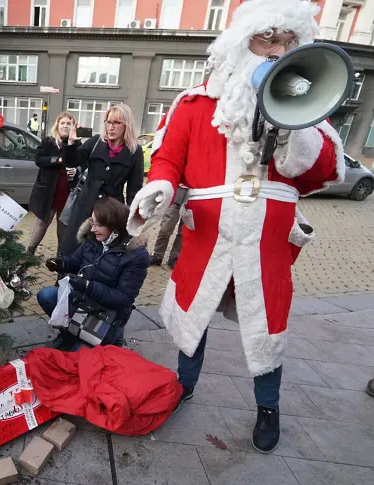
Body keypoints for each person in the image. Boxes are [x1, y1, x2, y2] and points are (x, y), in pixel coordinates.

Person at [127, 0, 343, 454]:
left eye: (289, 40)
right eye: (268, 37)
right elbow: (168, 157)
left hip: (266, 244)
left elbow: (322, 171)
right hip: (207, 238)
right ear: (241, 39)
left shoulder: (309, 110)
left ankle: (268, 407)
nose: (277, 50)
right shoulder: (194, 103)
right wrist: (160, 187)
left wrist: (294, 123)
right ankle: (184, 385)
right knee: (195, 317)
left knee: (267, 326)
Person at [38, 198, 149, 350]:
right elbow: (76, 261)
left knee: (80, 356)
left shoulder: (136, 255)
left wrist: (88, 286)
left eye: (99, 224)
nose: (92, 229)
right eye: (92, 222)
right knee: (46, 295)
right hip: (82, 302)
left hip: (106, 314)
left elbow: (124, 298)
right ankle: (68, 333)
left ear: (114, 225)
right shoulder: (94, 239)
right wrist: (62, 263)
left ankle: (113, 340)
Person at [59, 103, 144, 258]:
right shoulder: (96, 142)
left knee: (100, 254)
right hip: (85, 205)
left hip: (110, 209)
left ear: (126, 125)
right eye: (108, 122)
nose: (111, 127)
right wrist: (70, 143)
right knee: (72, 248)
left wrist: (133, 219)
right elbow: (71, 161)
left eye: (117, 123)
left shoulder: (135, 151)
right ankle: (64, 280)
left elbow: (134, 189)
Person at [27, 112, 79, 255]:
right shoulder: (48, 142)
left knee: (63, 228)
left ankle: (60, 259)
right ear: (57, 125)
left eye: (69, 123)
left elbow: (81, 164)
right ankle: (30, 252)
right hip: (49, 192)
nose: (65, 126)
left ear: (73, 126)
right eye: (62, 123)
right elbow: (38, 159)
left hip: (67, 193)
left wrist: (76, 169)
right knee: (43, 223)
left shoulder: (76, 144)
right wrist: (58, 160)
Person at [148, 186, 188, 268]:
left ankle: (174, 257)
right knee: (165, 229)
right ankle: (157, 255)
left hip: (192, 200)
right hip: (175, 196)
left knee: (183, 232)